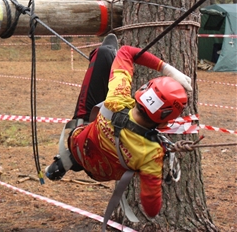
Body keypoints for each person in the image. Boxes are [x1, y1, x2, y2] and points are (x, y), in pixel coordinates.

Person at [45, 34, 193, 223]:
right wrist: (151, 170)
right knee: (96, 148)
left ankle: (65, 162)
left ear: (142, 92)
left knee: (105, 53)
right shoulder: (151, 155)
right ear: (165, 122)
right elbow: (151, 209)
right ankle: (65, 163)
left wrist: (168, 70)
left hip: (79, 142)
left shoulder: (118, 99)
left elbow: (126, 52)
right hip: (100, 172)